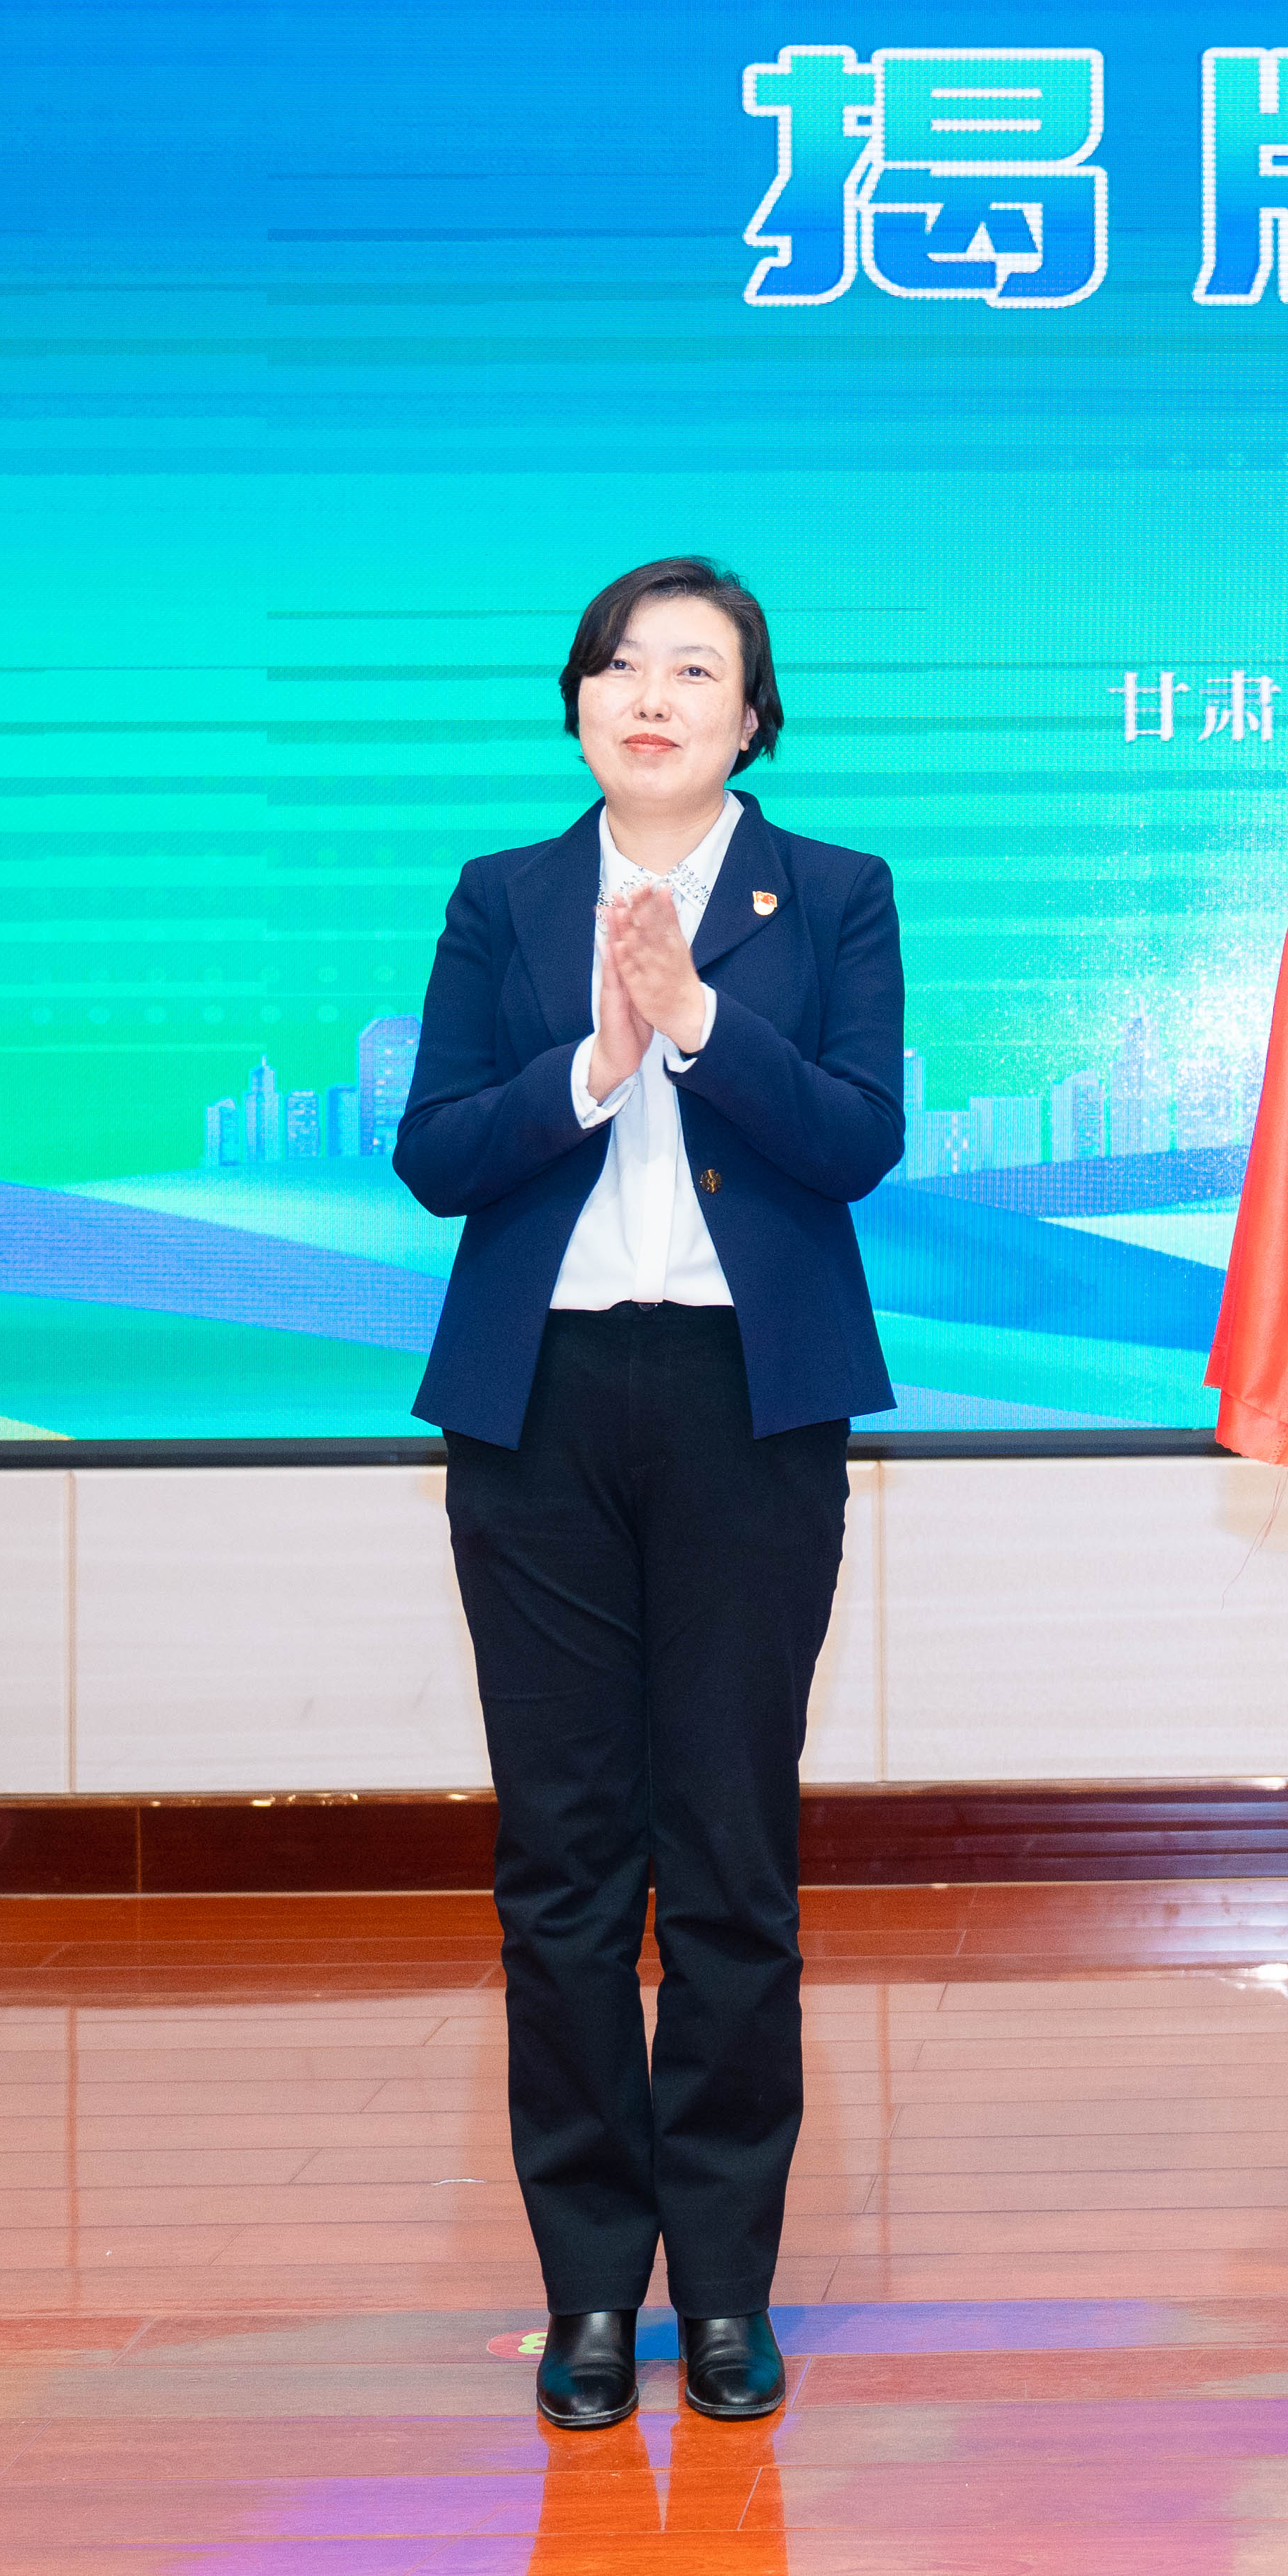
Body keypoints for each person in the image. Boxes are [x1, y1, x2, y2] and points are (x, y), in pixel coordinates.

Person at [393, 556, 905, 2432]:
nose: (653, 695)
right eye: (621, 664)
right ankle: (593, 2292)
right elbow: (437, 1153)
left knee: (730, 1856)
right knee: (562, 1862)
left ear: (753, 717)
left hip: (745, 1408)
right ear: (578, 705)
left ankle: (730, 2288)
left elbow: (857, 1139)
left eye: (696, 669)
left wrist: (697, 1018)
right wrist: (596, 1068)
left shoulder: (833, 893)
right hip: (536, 1408)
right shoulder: (505, 897)